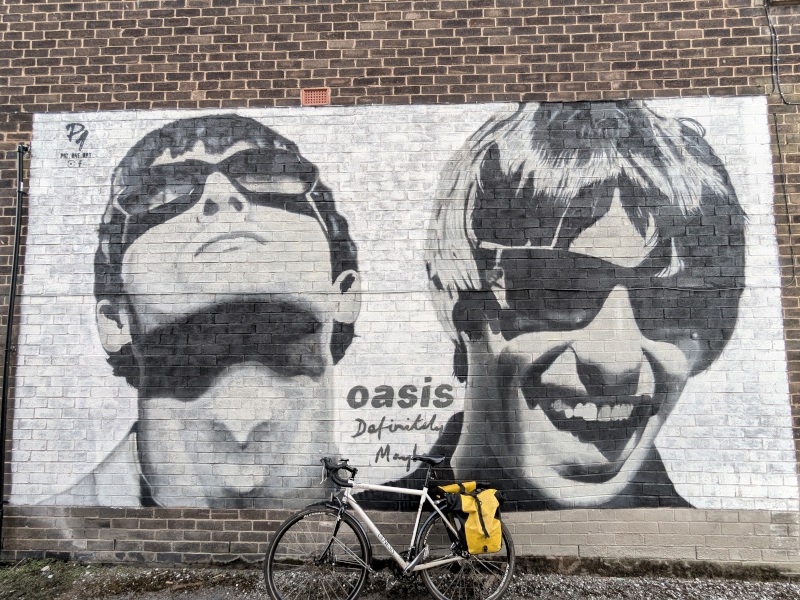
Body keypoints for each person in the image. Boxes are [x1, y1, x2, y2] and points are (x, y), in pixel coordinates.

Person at [423, 101, 746, 510]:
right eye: (559, 289)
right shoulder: (370, 529)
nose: (616, 362)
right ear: (462, 303)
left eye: (675, 304)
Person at [49, 115, 360, 508]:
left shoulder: (408, 505)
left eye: (267, 176)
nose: (220, 194)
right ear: (116, 321)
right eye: (162, 192)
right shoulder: (63, 518)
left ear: (344, 292)